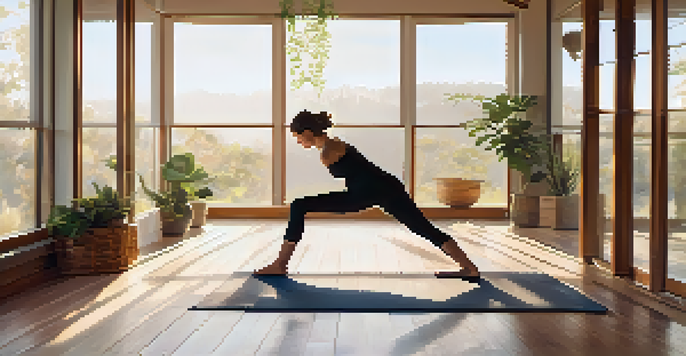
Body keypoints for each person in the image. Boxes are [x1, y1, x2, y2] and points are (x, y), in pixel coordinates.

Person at [254, 110, 480, 282]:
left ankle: (280, 264)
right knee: (422, 227)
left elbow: (348, 170)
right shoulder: (331, 145)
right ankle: (469, 268)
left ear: (307, 133)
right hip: (381, 189)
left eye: (297, 137)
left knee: (299, 205)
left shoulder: (329, 150)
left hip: (370, 192)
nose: (298, 141)